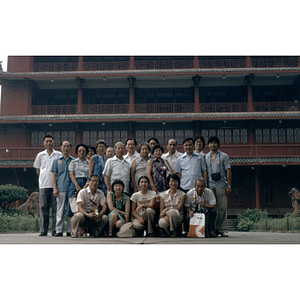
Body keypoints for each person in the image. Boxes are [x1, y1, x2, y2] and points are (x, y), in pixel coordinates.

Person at [33, 135, 61, 236]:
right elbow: (38, 170)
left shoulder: (58, 154)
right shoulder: (40, 155)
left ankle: (55, 230)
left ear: (54, 143)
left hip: (56, 186)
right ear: (44, 143)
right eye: (47, 141)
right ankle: (43, 230)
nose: (49, 143)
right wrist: (44, 177)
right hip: (44, 185)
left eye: (50, 141)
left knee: (55, 208)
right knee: (43, 207)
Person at [205, 136, 232, 237]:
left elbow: (228, 170)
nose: (213, 145)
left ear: (218, 144)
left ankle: (223, 229)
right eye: (211, 143)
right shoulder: (206, 157)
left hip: (221, 185)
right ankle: (213, 229)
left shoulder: (224, 156)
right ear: (208, 145)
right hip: (210, 186)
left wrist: (228, 185)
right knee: (212, 209)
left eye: (215, 143)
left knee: (222, 208)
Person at [51, 141, 74, 236]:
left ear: (70, 148)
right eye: (64, 146)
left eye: (68, 146)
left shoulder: (74, 161)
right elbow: (53, 176)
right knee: (60, 210)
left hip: (71, 188)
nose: (66, 148)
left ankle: (70, 230)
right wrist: (54, 188)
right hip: (60, 188)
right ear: (61, 147)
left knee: (71, 210)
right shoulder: (56, 161)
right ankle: (59, 230)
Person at [67, 143, 89, 237]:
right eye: (79, 150)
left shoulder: (89, 162)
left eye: (83, 151)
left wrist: (86, 185)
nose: (81, 152)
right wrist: (76, 185)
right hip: (75, 183)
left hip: (86, 184)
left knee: (83, 206)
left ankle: (82, 230)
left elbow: (90, 175)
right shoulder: (73, 162)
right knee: (73, 207)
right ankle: (73, 230)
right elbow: (71, 174)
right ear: (77, 152)